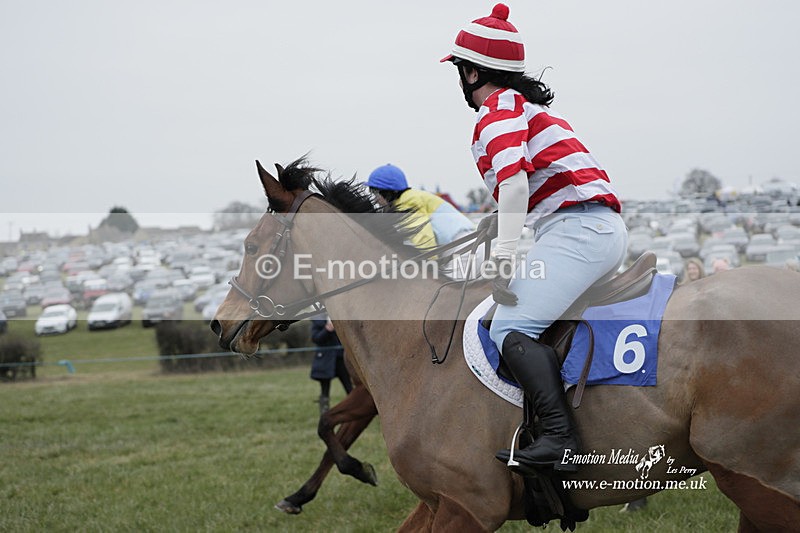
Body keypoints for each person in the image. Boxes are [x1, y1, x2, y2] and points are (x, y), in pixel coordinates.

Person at [441, 4, 627, 474]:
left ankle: (561, 439)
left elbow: (517, 184)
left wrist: (504, 253)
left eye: (460, 70)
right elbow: (524, 189)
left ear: (471, 71)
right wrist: (498, 220)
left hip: (579, 232)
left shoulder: (496, 111)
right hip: (589, 226)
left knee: (508, 328)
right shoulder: (528, 108)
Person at [367, 163, 475, 249]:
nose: (375, 200)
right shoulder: (410, 197)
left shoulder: (406, 201)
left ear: (389, 192)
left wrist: (428, 266)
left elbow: (424, 240)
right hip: (462, 244)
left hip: (461, 246)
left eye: (376, 193)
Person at [310, 315, 352, 414]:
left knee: (349, 387)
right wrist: (327, 329)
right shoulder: (317, 322)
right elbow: (316, 339)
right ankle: (324, 411)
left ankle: (353, 408)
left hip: (340, 358)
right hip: (325, 360)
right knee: (325, 389)